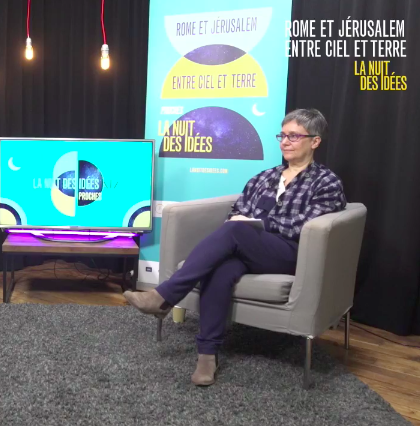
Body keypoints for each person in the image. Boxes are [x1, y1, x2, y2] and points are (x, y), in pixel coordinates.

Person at [124, 108, 347, 386]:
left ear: (315, 141)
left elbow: (303, 226)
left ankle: (164, 296)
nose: (285, 142)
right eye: (282, 135)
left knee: (236, 230)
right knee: (222, 267)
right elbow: (237, 211)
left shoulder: (326, 182)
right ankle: (207, 355)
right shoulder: (264, 177)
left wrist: (255, 224)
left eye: (294, 136)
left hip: (291, 253)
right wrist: (243, 223)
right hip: (251, 248)